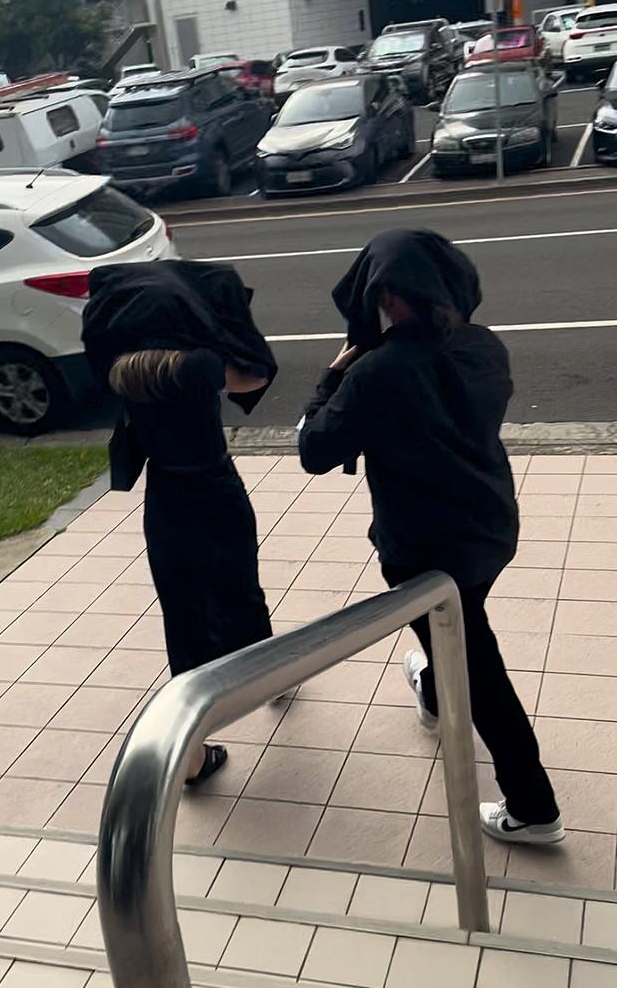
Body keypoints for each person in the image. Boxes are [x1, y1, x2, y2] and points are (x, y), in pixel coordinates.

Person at [298, 228, 563, 845]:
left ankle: (534, 807)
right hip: (490, 527)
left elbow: (313, 449)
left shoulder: (376, 374)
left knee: (480, 671)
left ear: (383, 299)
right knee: (456, 629)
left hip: (424, 552)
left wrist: (334, 375)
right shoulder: (483, 347)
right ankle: (436, 694)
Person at [82, 259, 277, 786]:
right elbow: (253, 376)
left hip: (164, 498)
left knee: (182, 611)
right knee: (240, 587)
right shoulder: (201, 366)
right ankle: (272, 675)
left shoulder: (118, 368)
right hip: (216, 490)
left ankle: (190, 755)